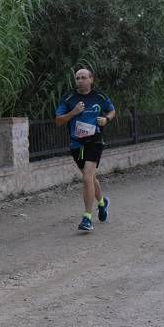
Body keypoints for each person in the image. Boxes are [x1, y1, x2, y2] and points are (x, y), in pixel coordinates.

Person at [54, 68, 116, 231]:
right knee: (90, 178)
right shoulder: (69, 98)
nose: (80, 81)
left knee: (87, 177)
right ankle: (102, 203)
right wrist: (73, 112)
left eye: (83, 78)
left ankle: (87, 218)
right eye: (77, 78)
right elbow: (58, 121)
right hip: (76, 144)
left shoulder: (100, 96)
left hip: (94, 141)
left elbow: (112, 110)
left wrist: (106, 119)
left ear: (91, 79)